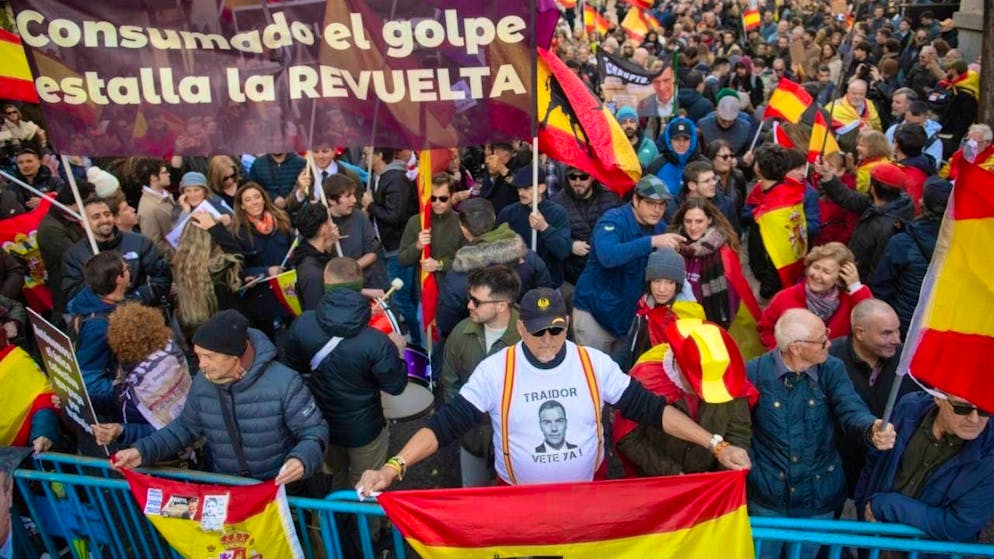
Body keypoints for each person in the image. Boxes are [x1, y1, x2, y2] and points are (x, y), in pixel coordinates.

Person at [355, 288, 750, 495]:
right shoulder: (496, 370)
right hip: (520, 503)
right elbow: (444, 426)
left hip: (587, 498)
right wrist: (393, 467)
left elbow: (653, 410)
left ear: (566, 325)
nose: (547, 340)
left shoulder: (593, 363)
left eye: (556, 329)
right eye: (537, 331)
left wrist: (716, 446)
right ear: (520, 328)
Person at [113, 309, 329, 485]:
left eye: (208, 357)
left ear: (234, 357)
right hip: (228, 489)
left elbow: (314, 431)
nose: (201, 365)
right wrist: (142, 451)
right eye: (198, 356)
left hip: (279, 490)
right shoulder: (203, 382)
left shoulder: (285, 383)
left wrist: (301, 460)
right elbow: (185, 428)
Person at [748, 308, 896, 559]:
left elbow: (851, 409)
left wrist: (871, 428)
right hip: (768, 497)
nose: (829, 342)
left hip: (819, 496)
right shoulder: (754, 372)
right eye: (821, 340)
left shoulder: (832, 368)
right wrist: (752, 468)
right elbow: (740, 428)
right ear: (796, 348)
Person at [283, 257, 407, 491]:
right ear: (359, 285)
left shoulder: (302, 324)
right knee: (365, 487)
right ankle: (360, 516)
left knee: (335, 478)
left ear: (326, 283)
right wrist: (398, 352)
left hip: (321, 422)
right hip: (365, 429)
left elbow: (293, 371)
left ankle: (335, 511)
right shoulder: (376, 341)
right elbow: (396, 386)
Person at [614, 319, 757, 477]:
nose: (702, 393)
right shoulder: (648, 377)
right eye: (697, 383)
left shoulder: (729, 378)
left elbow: (738, 432)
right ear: (679, 363)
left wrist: (719, 477)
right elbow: (629, 437)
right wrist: (673, 474)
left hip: (711, 482)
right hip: (658, 480)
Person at [855, 391, 994, 543]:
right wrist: (862, 503)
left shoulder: (989, 455)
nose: (974, 419)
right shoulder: (909, 407)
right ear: (938, 397)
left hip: (928, 550)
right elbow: (875, 460)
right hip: (874, 536)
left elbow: (960, 526)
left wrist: (886, 505)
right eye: (962, 408)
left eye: (985, 409)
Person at [573, 176, 686, 355]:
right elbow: (608, 256)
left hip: (626, 319)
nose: (657, 210)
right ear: (635, 200)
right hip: (594, 315)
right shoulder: (613, 221)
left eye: (662, 204)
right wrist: (651, 242)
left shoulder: (659, 228)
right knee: (593, 370)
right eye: (650, 203)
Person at [442, 265, 521, 487]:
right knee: (473, 495)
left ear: (502, 305)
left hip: (516, 443)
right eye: (469, 298)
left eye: (476, 301)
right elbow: (450, 384)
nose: (469, 305)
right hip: (472, 440)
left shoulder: (528, 339)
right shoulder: (460, 333)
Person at [436, 198, 552, 337]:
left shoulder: (457, 276)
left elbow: (446, 322)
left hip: (478, 340)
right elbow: (545, 296)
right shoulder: (529, 257)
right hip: (524, 334)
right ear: (494, 217)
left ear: (463, 229)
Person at [91, 303, 191, 451]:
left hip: (159, 456)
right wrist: (84, 399)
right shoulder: (169, 356)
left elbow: (168, 430)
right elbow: (118, 399)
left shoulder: (152, 376)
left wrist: (122, 431)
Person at [200, 182, 293, 336]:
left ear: (264, 199)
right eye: (248, 200)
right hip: (261, 298)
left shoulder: (281, 221)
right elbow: (238, 269)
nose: (254, 202)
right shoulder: (237, 232)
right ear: (242, 206)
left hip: (287, 289)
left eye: (257, 197)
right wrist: (266, 271)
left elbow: (291, 248)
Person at [871, 177, 951, 336]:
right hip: (941, 328)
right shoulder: (964, 245)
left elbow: (881, 289)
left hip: (904, 327)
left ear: (921, 204)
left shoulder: (902, 242)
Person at [63, 198, 172, 310]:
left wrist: (131, 300)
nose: (104, 220)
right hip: (102, 317)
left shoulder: (140, 242)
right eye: (96, 217)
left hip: (142, 311)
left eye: (107, 214)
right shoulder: (74, 255)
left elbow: (161, 279)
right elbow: (72, 296)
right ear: (83, 223)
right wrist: (99, 283)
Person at [758, 242, 873, 349]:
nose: (817, 275)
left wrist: (856, 287)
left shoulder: (849, 301)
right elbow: (765, 329)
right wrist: (784, 353)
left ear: (840, 277)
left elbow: (871, 321)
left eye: (826, 272)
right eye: (815, 267)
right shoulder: (785, 297)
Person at [815, 160, 915, 280]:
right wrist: (828, 176)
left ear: (872, 188)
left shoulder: (887, 228)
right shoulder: (883, 205)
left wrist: (858, 286)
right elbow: (849, 198)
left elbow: (878, 271)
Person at [361, 147, 420, 344]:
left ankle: (416, 339)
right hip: (390, 245)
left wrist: (371, 206)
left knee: (401, 298)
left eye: (367, 154)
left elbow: (396, 216)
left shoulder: (395, 179)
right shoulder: (378, 177)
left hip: (398, 246)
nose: (364, 157)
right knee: (408, 294)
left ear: (379, 155)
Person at [614, 248, 704, 371]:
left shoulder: (686, 316)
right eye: (657, 281)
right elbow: (631, 343)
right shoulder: (646, 304)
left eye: (670, 282)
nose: (662, 289)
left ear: (678, 285)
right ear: (649, 282)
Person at [744, 145, 807, 300]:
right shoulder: (790, 193)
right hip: (791, 276)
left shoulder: (771, 211)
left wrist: (765, 291)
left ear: (758, 169)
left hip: (773, 285)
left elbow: (777, 255)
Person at [497, 167, 571, 288]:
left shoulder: (557, 213)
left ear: (541, 188)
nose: (521, 193)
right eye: (519, 188)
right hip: (515, 283)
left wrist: (544, 228)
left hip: (548, 283)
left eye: (526, 188)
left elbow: (563, 251)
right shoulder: (508, 213)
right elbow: (497, 247)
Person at [550, 166, 621, 289]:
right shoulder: (557, 203)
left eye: (583, 177)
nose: (577, 182)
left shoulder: (611, 197)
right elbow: (551, 235)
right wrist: (570, 245)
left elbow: (622, 228)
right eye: (572, 177)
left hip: (606, 270)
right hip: (573, 275)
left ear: (592, 177)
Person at [397, 172, 463, 295]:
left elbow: (469, 261)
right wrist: (417, 246)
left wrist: (440, 265)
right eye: (433, 198)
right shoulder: (416, 221)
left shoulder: (461, 223)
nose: (437, 203)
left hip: (454, 293)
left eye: (443, 199)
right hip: (424, 292)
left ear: (453, 197)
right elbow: (402, 259)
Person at [323, 174, 387, 292]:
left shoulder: (360, 217)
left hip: (366, 282)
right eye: (348, 196)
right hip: (335, 288)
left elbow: (372, 253)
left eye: (353, 194)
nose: (354, 200)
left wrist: (350, 270)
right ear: (331, 200)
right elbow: (317, 258)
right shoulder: (322, 222)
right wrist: (328, 243)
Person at [37, 182, 93, 318]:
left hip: (89, 288)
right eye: (89, 202)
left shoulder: (74, 218)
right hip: (72, 296)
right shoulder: (50, 229)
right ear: (76, 202)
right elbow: (78, 258)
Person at [287, 203, 339, 312]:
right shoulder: (312, 274)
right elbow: (316, 311)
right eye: (330, 220)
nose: (334, 225)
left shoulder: (308, 251)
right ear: (324, 229)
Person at [645, 117, 708, 197]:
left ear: (692, 141)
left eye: (686, 139)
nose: (681, 144)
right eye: (676, 139)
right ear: (669, 141)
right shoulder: (656, 166)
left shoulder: (705, 164)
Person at [135, 158, 179, 260]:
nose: (169, 174)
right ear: (153, 178)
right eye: (164, 172)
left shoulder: (163, 194)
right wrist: (178, 253)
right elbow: (154, 244)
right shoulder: (148, 209)